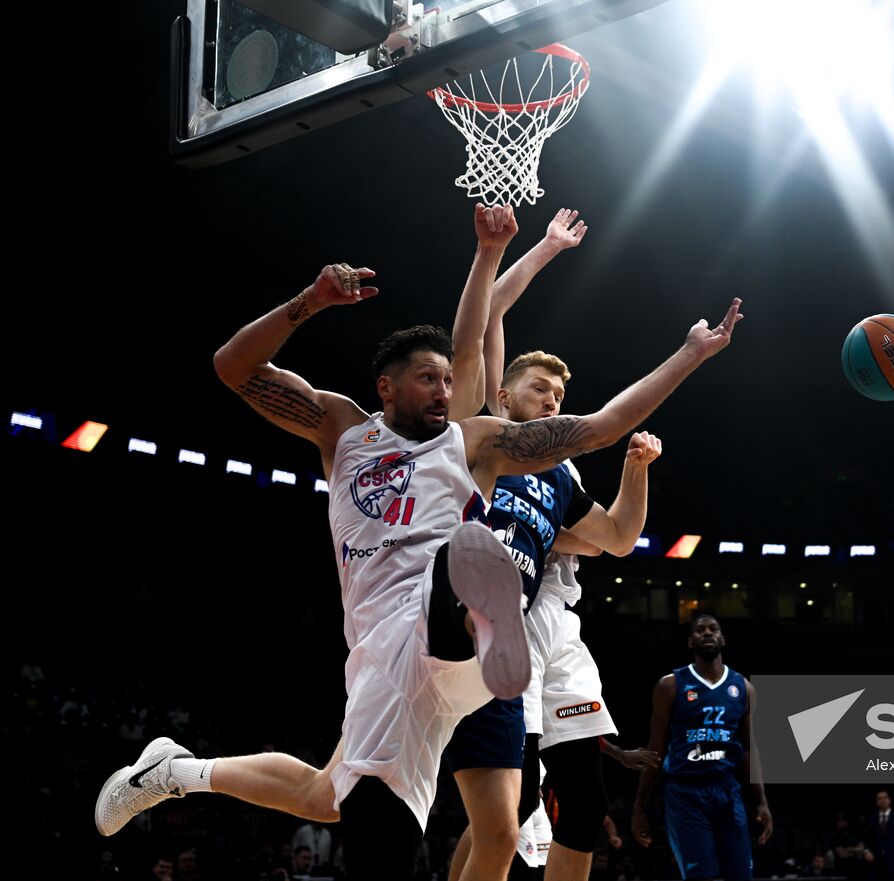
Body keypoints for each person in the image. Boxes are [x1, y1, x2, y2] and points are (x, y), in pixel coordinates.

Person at [95, 202, 745, 880]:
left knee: (499, 820)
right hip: (385, 651)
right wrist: (310, 302)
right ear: (386, 386)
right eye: (427, 378)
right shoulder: (342, 429)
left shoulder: (474, 442)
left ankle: (475, 605)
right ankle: (178, 771)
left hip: (462, 650)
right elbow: (233, 366)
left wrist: (690, 354)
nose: (443, 390)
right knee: (331, 801)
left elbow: (601, 427)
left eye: (448, 379)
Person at [443, 209, 662, 881]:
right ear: (502, 392)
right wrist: (544, 248)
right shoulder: (482, 438)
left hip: (552, 620)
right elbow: (487, 315)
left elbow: (614, 540)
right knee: (506, 812)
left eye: (560, 394)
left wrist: (635, 468)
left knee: (583, 802)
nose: (551, 399)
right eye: (539, 388)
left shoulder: (561, 473)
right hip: (485, 618)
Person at [632, 614, 773, 881]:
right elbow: (655, 749)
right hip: (685, 793)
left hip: (727, 791)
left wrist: (761, 801)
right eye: (700, 630)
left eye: (713, 629)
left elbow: (748, 749)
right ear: (690, 642)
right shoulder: (670, 685)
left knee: (741, 876)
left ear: (722, 639)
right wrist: (640, 804)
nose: (707, 633)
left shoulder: (744, 688)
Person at [861, 790, 894, 880]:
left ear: (889, 800)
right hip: (875, 864)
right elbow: (867, 841)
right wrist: (866, 851)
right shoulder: (871, 819)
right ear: (876, 802)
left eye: (885, 798)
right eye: (879, 798)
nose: (883, 800)